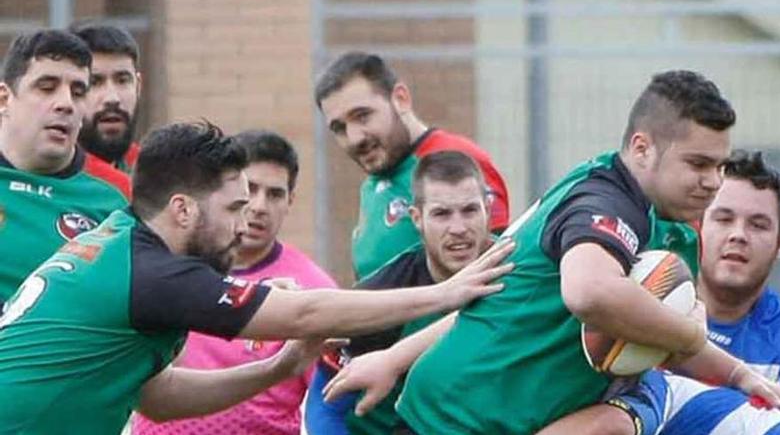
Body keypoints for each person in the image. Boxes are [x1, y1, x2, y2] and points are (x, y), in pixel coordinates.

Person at [322, 71, 780, 434]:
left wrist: (742, 376)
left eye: (720, 166)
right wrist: (689, 332)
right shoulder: (601, 198)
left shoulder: (674, 231)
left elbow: (498, 296)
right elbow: (590, 291)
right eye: (698, 164)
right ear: (642, 149)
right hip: (450, 422)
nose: (712, 181)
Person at [0, 121, 514, 434]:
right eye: (233, 207)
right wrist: (447, 293)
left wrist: (276, 370)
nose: (243, 223)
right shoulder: (155, 274)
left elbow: (157, 395)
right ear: (181, 210)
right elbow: (305, 312)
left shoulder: (124, 245)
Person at [538, 150, 780, 435]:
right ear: (698, 226)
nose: (738, 235)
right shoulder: (629, 302)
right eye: (724, 218)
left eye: (758, 225)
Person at [132, 130, 338, 435]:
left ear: (291, 200)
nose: (258, 206)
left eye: (275, 194)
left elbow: (331, 401)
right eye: (250, 190)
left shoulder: (311, 289)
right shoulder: (165, 270)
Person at [302, 150, 495, 435]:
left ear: (488, 209)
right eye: (441, 214)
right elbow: (324, 406)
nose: (459, 228)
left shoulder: (518, 271)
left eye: (470, 210)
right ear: (416, 218)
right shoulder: (383, 293)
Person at [314, 52, 510, 280]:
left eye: (363, 116)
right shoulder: (373, 184)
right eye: (339, 128)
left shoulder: (457, 159)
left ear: (400, 99)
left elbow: (498, 267)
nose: (354, 137)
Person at [0, 29, 130, 303]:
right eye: (46, 88)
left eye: (78, 92)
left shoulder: (117, 197)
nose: (66, 104)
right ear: (4, 99)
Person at [71, 21, 143, 174]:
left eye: (122, 80)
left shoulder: (154, 173)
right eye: (94, 82)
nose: (112, 98)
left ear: (138, 86)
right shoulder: (38, 179)